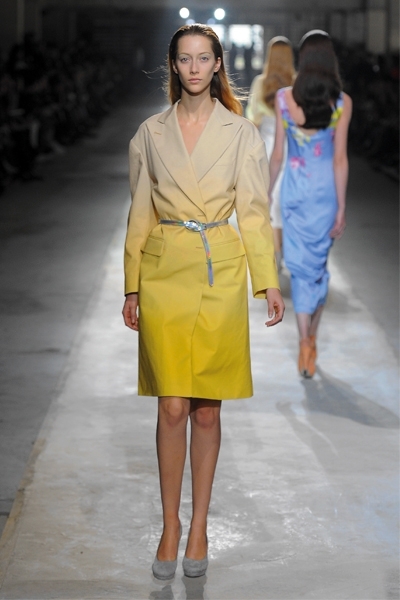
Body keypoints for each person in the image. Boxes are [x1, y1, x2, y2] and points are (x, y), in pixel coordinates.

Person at [122, 23, 284, 580]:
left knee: (207, 410)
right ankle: (170, 525)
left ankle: (199, 527)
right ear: (173, 65)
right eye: (184, 58)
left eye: (203, 58)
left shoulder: (241, 134)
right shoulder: (150, 133)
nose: (193, 68)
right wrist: (132, 284)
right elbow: (140, 211)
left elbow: (254, 212)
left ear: (218, 65)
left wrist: (268, 281)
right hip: (165, 270)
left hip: (219, 270)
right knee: (171, 406)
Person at [269, 30, 352, 378]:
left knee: (299, 270)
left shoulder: (284, 99)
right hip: (325, 196)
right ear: (331, 60)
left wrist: (265, 192)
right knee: (317, 269)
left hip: (294, 193)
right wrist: (341, 206)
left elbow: (277, 155)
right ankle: (312, 338)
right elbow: (339, 159)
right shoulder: (341, 103)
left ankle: (304, 341)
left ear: (302, 60)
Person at [246, 36, 295, 269]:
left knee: (270, 199)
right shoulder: (297, 83)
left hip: (267, 145)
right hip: (293, 147)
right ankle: (285, 250)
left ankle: (276, 254)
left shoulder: (261, 82)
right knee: (288, 198)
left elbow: (252, 117)